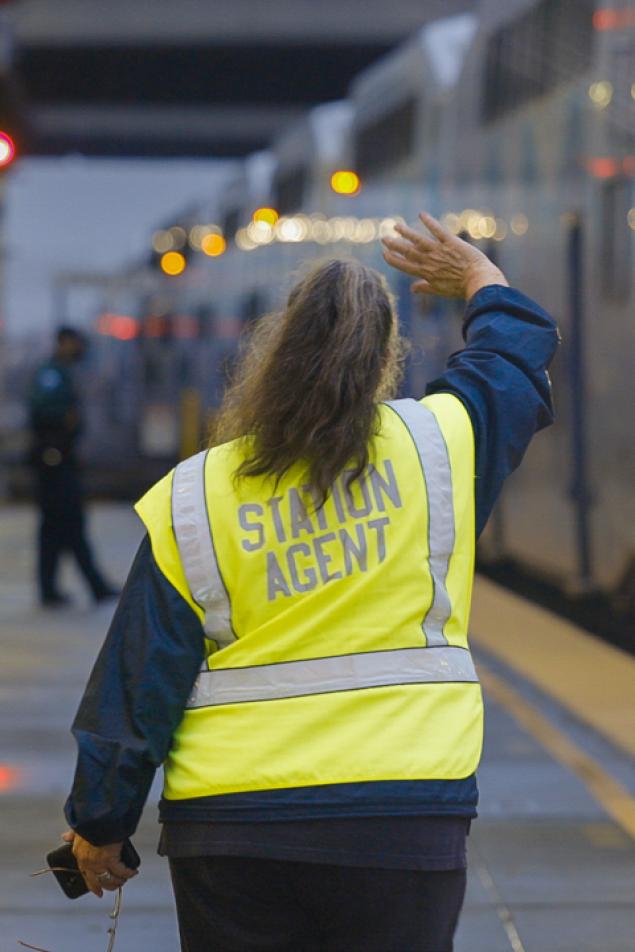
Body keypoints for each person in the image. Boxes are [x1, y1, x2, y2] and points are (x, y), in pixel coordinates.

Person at [62, 214, 559, 952]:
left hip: (230, 829)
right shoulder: (436, 447)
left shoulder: (198, 494)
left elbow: (140, 676)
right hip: (402, 813)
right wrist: (481, 279)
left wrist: (100, 823)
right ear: (384, 357)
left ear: (272, 357)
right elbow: (511, 363)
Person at [28, 326, 119, 607]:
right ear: (64, 342)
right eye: (77, 344)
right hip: (53, 459)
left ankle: (52, 589)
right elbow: (43, 409)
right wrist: (66, 418)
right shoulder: (52, 373)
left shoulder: (61, 371)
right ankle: (93, 585)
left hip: (60, 457)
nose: (81, 350)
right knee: (68, 519)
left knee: (56, 525)